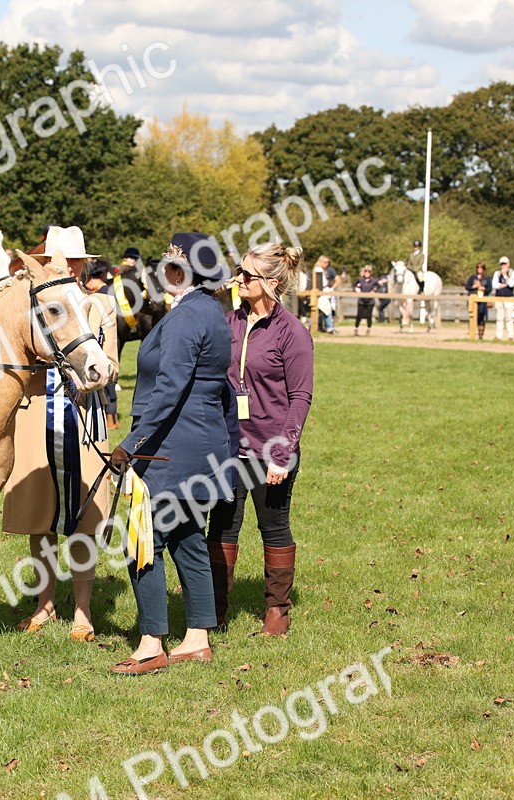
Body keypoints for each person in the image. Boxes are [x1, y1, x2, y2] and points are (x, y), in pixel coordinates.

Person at [107, 232, 234, 675]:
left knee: (142, 540)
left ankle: (150, 643)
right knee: (187, 538)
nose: (167, 275)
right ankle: (197, 638)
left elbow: (169, 391)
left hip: (169, 449)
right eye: (165, 267)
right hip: (200, 445)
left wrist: (130, 445)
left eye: (175, 269)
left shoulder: (184, 318)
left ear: (192, 275)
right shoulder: (213, 313)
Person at [3, 226, 117, 643]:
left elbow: (113, 364)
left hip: (85, 418)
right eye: (61, 259)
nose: (68, 266)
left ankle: (83, 612)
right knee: (41, 517)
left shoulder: (102, 304)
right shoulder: (37, 302)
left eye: (74, 259)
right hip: (36, 417)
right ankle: (45, 602)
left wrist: (95, 377)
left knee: (85, 518)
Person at [207, 242, 313, 637]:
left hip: (272, 449)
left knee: (274, 526)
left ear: (271, 283)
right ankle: (214, 608)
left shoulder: (293, 333)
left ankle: (277, 610)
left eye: (247, 274)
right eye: (238, 270)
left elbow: (300, 396)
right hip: (230, 445)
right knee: (221, 526)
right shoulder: (229, 320)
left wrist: (282, 452)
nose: (239, 278)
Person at [82, 259, 119, 429]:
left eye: (90, 279)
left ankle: (112, 418)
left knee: (109, 386)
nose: (88, 283)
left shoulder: (104, 297)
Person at [492, 256, 514, 340]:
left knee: (509, 317)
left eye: (505, 264)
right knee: (499, 318)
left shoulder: (513, 272)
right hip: (499, 297)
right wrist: (504, 284)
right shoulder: (497, 273)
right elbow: (494, 285)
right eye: (502, 264)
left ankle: (510, 336)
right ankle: (499, 336)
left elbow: (511, 284)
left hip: (509, 298)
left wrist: (505, 276)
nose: (503, 266)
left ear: (508, 264)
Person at [465, 262, 492, 339]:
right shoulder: (473, 277)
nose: (479, 269)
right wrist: (474, 286)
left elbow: (489, 289)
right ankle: (471, 333)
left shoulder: (486, 278)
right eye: (478, 267)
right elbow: (467, 286)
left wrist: (484, 289)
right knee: (472, 316)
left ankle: (481, 335)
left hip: (483, 300)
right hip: (473, 298)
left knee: (481, 316)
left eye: (481, 268)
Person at [312, 256, 337, 333]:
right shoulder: (318, 270)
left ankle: (324, 326)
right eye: (325, 262)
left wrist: (332, 288)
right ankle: (329, 326)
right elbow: (322, 283)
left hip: (325, 292)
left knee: (324, 310)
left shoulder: (327, 270)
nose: (327, 264)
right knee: (326, 309)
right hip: (321, 293)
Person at [352, 265, 377, 335]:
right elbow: (353, 285)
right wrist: (357, 290)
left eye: (369, 271)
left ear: (371, 272)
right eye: (366, 271)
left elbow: (379, 286)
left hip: (370, 301)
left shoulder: (373, 280)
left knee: (369, 316)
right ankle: (356, 329)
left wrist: (374, 291)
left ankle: (368, 329)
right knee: (359, 315)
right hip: (361, 300)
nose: (367, 273)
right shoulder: (360, 279)